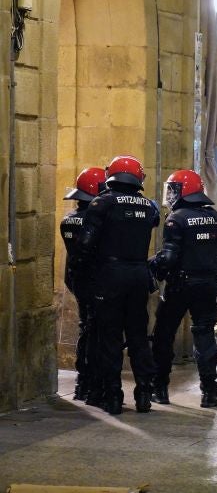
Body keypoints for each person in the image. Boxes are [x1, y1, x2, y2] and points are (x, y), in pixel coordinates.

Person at [77, 155, 160, 415]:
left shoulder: (102, 203)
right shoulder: (150, 206)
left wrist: (85, 272)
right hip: (138, 274)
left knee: (109, 337)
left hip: (110, 275)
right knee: (138, 336)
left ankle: (113, 396)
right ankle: (144, 393)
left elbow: (85, 245)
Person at [149, 169, 217, 408]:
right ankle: (210, 392)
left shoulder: (176, 219)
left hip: (180, 286)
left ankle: (160, 388)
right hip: (207, 285)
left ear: (184, 191)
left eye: (173, 189)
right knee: (205, 335)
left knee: (164, 334)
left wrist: (154, 266)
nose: (170, 195)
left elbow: (169, 258)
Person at [60, 167, 107, 403]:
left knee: (85, 329)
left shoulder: (67, 221)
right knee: (99, 332)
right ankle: (95, 385)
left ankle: (82, 384)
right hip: (98, 281)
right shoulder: (98, 221)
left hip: (77, 281)